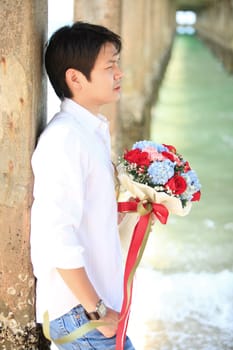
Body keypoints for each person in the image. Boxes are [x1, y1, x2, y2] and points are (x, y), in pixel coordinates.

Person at [30, 22, 135, 349]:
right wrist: (98, 311)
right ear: (75, 78)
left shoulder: (89, 131)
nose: (119, 73)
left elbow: (80, 213)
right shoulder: (65, 139)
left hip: (90, 307)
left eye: (117, 63)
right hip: (80, 312)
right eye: (109, 66)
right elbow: (56, 233)